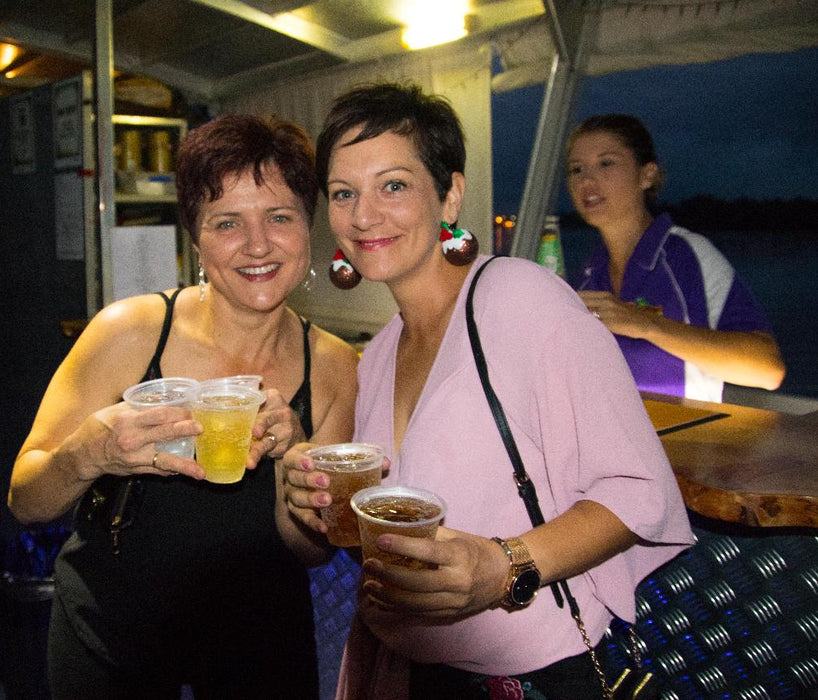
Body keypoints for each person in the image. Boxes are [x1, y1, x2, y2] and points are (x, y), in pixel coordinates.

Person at [280, 83, 694, 699]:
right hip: (401, 670)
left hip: (524, 675)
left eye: (393, 185)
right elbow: (340, 542)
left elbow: (640, 489)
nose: (363, 216)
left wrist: (502, 566)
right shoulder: (382, 352)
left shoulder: (520, 299)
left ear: (449, 194)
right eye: (344, 193)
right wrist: (302, 497)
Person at [7, 114, 359, 698]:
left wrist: (292, 459)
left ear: (308, 228)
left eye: (279, 216)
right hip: (113, 630)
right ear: (195, 239)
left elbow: (313, 551)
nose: (257, 245)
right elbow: (25, 501)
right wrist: (89, 454)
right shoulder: (129, 332)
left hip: (259, 635)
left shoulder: (335, 365)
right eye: (227, 222)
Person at [566, 114, 785, 402]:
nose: (586, 180)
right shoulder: (588, 276)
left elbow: (767, 368)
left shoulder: (687, 256)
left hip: (683, 431)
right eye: (576, 169)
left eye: (606, 163)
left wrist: (648, 325)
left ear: (647, 175)